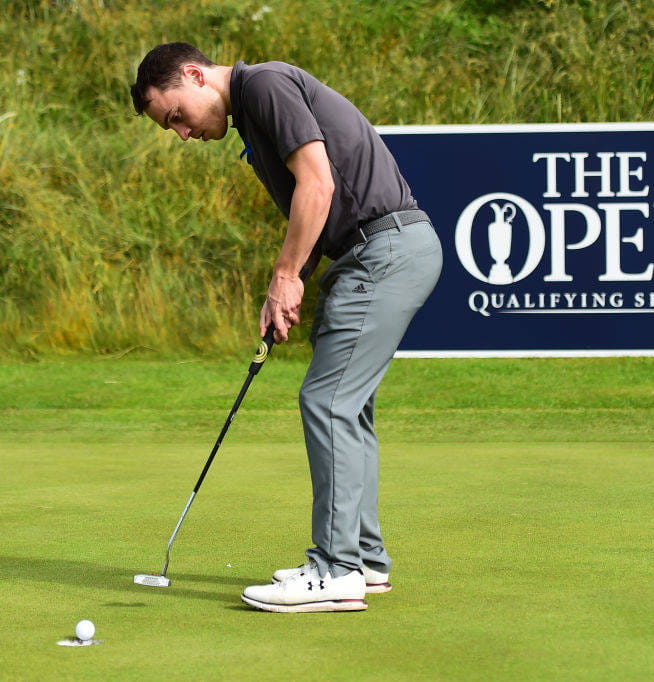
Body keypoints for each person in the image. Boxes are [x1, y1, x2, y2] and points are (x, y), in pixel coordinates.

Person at [130, 43, 442, 613]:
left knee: (327, 401)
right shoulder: (252, 112)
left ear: (195, 75)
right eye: (169, 128)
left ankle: (336, 570)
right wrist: (286, 289)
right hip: (376, 252)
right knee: (348, 407)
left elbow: (317, 185)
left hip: (383, 251)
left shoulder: (264, 85)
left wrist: (285, 275)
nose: (181, 133)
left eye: (175, 115)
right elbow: (317, 208)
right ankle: (364, 559)